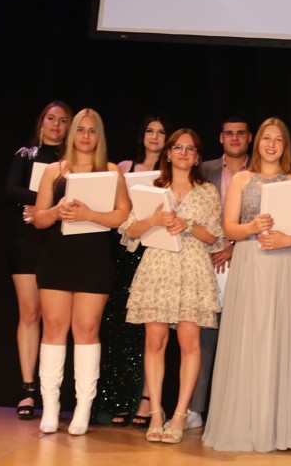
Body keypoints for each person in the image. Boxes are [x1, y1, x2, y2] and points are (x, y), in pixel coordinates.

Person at [203, 117, 291, 452]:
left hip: (285, 263)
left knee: (281, 339)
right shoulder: (241, 180)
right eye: (266, 138)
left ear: (285, 145)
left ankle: (278, 428)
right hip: (249, 263)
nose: (271, 144)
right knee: (247, 339)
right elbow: (229, 229)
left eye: (278, 139)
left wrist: (288, 238)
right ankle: (244, 424)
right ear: (257, 142)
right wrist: (251, 226)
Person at [33, 108, 131, 435]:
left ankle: (82, 409)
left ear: (99, 136)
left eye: (92, 131)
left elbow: (122, 218)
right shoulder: (53, 171)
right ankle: (50, 407)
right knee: (54, 328)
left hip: (94, 259)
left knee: (87, 329)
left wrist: (90, 213)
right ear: (72, 134)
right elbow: (39, 219)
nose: (86, 136)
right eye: (80, 130)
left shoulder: (111, 171)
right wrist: (56, 211)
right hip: (57, 256)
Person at [121, 128, 223, 444]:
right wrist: (153, 220)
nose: (183, 153)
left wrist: (189, 224)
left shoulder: (207, 191)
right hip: (158, 265)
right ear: (168, 152)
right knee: (155, 339)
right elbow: (129, 231)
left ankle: (180, 414)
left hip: (192, 267)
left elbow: (215, 237)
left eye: (190, 149)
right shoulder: (151, 187)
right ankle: (155, 413)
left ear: (197, 157)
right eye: (178, 147)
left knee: (190, 341)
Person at [100, 114, 172, 428]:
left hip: (158, 253)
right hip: (126, 254)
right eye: (149, 131)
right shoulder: (124, 167)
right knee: (120, 326)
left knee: (153, 330)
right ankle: (116, 398)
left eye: (161, 132)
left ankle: (146, 399)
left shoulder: (173, 171)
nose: (154, 137)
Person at [5, 100, 72, 420]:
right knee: (29, 313)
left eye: (62, 121)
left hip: (58, 241)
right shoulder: (26, 154)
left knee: (56, 319)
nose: (56, 125)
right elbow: (11, 189)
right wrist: (42, 201)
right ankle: (28, 389)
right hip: (26, 240)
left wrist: (46, 207)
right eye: (50, 119)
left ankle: (52, 391)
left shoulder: (72, 161)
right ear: (41, 122)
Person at [185, 113, 252, 429]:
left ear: (249, 138)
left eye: (241, 133)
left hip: (250, 261)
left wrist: (234, 248)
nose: (235, 138)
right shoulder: (204, 170)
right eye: (229, 133)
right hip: (208, 262)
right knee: (204, 337)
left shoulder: (263, 172)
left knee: (243, 338)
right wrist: (217, 249)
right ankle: (195, 409)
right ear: (221, 138)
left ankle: (234, 413)